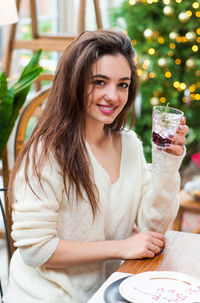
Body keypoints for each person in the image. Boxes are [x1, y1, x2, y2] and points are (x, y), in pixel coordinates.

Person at [4, 29, 188, 303]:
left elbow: (152, 228)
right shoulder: (47, 152)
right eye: (99, 82)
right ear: (74, 83)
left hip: (107, 292)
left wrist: (166, 163)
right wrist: (120, 247)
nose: (112, 96)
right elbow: (35, 250)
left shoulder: (130, 145)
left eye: (122, 84)